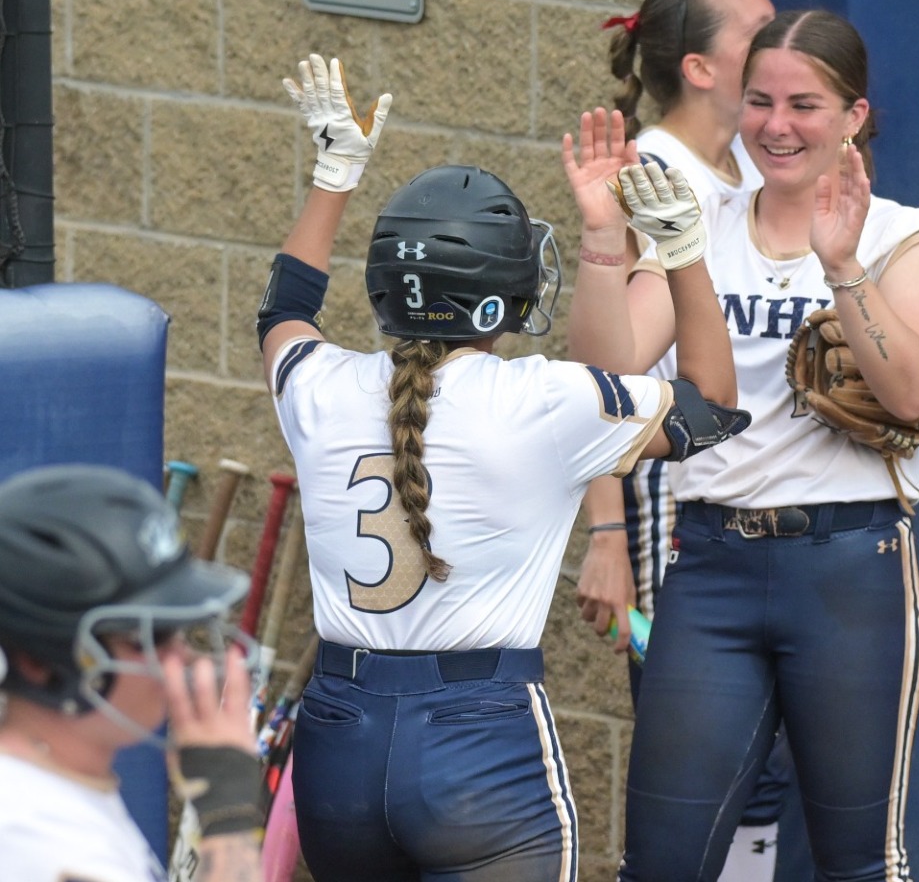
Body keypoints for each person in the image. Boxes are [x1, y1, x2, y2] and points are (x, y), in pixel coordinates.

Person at [261, 53, 742, 882]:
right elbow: (713, 407)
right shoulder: (542, 400)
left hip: (338, 737)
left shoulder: (321, 386)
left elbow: (285, 309)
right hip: (477, 737)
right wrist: (684, 254)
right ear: (496, 303)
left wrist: (336, 171)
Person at [568, 10, 919, 882]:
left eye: (805, 105)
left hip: (851, 562)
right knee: (660, 863)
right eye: (760, 102)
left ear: (855, 115)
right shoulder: (694, 223)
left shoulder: (902, 232)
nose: (778, 126)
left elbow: (916, 392)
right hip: (711, 563)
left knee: (857, 862)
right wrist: (603, 234)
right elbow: (605, 375)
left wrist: (843, 267)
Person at [578, 0, 789, 880]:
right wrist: (606, 534)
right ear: (700, 68)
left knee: (767, 768)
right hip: (674, 499)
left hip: (765, 493)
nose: (783, 43)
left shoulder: (749, 160)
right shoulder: (650, 175)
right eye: (758, 33)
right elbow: (598, 378)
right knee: (706, 765)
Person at [0, 463, 268, 882]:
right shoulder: (34, 840)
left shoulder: (58, 786)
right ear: (39, 663)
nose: (183, 660)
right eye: (151, 638)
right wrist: (229, 821)